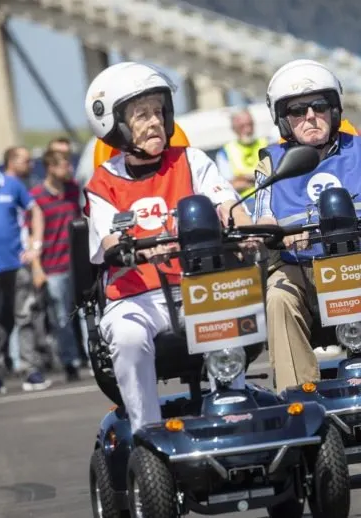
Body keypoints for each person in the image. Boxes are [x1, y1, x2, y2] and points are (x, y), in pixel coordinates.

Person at [83, 61, 252, 432]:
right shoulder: (102, 183)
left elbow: (227, 203)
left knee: (225, 310)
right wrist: (136, 250)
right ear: (116, 124)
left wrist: (246, 228)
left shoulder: (190, 161)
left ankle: (232, 414)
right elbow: (108, 239)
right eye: (142, 115)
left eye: (159, 112)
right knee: (128, 337)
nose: (155, 122)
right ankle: (149, 433)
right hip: (134, 296)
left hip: (195, 284)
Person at [253, 59, 361, 390]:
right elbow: (263, 215)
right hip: (299, 269)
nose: (310, 116)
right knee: (278, 297)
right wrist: (276, 234)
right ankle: (297, 395)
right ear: (284, 120)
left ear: (334, 109)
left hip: (360, 260)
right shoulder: (270, 161)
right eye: (297, 111)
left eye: (319, 106)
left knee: (359, 275)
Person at [0, 142, 47, 396]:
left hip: (16, 263)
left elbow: (35, 211)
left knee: (26, 316)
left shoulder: (11, 184)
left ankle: (30, 369)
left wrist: (36, 246)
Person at [29, 150, 83, 382]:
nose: (69, 169)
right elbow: (32, 235)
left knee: (84, 312)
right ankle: (70, 362)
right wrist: (37, 267)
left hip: (77, 262)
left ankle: (92, 359)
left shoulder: (73, 190)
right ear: (50, 168)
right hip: (53, 265)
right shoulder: (37, 196)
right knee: (61, 317)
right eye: (64, 166)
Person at [214, 109, 268, 196]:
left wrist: (243, 178)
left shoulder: (267, 144)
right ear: (234, 129)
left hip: (270, 199)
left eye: (250, 124)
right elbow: (226, 186)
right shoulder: (225, 153)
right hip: (244, 203)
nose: (248, 130)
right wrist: (260, 178)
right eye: (242, 126)